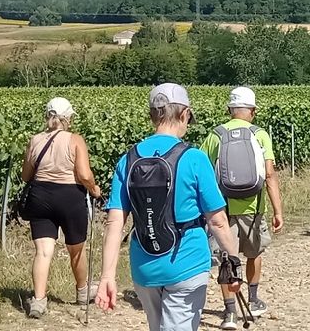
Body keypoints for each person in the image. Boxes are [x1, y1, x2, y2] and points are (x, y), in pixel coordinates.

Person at [95, 83, 246, 331]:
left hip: (144, 266)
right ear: (184, 114)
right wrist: (232, 261)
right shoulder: (194, 158)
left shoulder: (128, 160)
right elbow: (217, 220)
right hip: (187, 264)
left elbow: (114, 222)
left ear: (153, 115)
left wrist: (107, 277)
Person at [200, 87, 285, 329]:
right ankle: (254, 299)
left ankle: (229, 314)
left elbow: (203, 174)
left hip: (221, 209)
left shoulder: (214, 136)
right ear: (253, 111)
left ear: (229, 110)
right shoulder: (260, 135)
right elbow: (269, 175)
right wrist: (278, 211)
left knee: (227, 257)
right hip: (254, 206)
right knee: (254, 253)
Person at [21, 97, 106, 319]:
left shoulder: (35, 140)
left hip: (40, 197)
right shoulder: (75, 140)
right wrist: (94, 189)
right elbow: (84, 175)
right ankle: (82, 291)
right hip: (69, 197)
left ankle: (38, 301)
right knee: (76, 249)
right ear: (68, 118)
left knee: (43, 251)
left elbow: (25, 176)